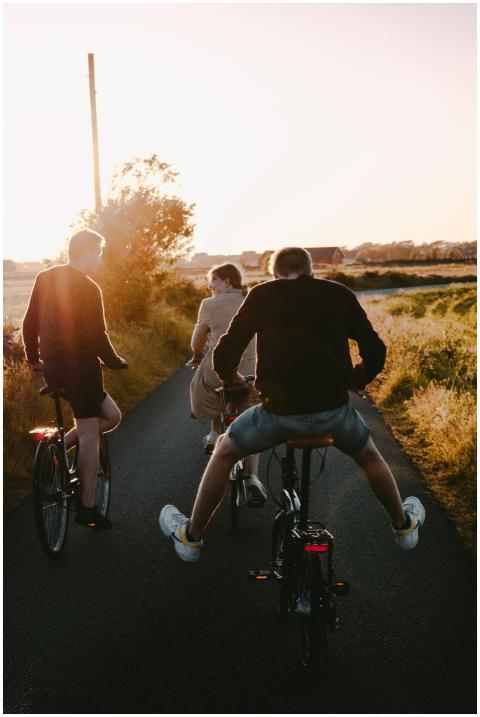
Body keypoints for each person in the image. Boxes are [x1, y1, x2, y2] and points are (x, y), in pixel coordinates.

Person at [160, 246, 425, 560]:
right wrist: (355, 380)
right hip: (333, 414)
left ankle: (191, 538)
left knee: (224, 451)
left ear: (274, 274)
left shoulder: (262, 295)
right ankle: (403, 526)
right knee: (369, 456)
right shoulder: (338, 294)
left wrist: (232, 380)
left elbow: (226, 349)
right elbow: (375, 349)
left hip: (277, 415)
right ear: (311, 271)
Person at [22, 229, 128, 529]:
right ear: (85, 252)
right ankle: (87, 506)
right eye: (98, 252)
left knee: (113, 416)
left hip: (54, 366)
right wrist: (115, 362)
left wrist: (33, 358)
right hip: (81, 368)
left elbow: (29, 323)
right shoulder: (90, 288)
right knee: (91, 432)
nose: (100, 258)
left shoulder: (46, 277)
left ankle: (56, 450)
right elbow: (98, 336)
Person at [187, 263, 266, 505]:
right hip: (252, 369)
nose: (210, 285)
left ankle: (213, 432)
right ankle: (253, 477)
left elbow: (198, 338)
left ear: (227, 281)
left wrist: (197, 355)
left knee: (203, 382)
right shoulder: (254, 299)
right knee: (252, 420)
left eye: (214, 280)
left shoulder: (209, 304)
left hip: (219, 369)